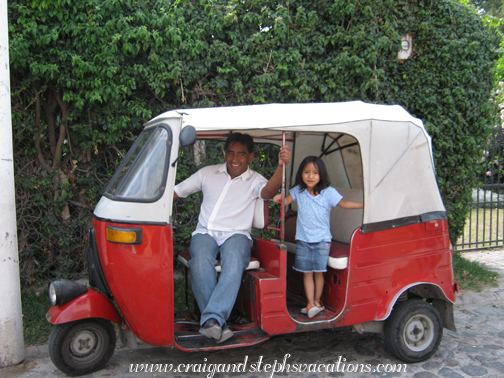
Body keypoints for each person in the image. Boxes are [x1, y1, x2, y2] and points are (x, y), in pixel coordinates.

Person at [174, 133, 291, 342]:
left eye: (241, 154)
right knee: (200, 260)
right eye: (230, 153)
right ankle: (216, 322)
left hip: (237, 235)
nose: (234, 159)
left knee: (234, 261)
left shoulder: (255, 179)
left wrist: (281, 167)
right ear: (224, 153)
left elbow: (267, 192)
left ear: (251, 157)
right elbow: (177, 192)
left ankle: (212, 320)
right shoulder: (207, 173)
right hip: (205, 232)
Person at [273, 156, 362, 318]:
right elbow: (285, 201)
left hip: (322, 240)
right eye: (307, 172)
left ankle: (317, 301)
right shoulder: (298, 190)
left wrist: (364, 204)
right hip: (304, 240)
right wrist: (279, 199)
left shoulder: (328, 192)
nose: (310, 176)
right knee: (307, 272)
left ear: (321, 175)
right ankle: (310, 303)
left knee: (319, 272)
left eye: (315, 172)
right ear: (301, 174)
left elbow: (344, 204)